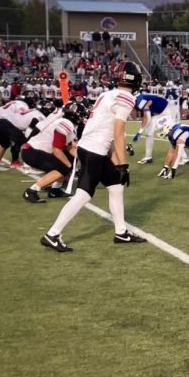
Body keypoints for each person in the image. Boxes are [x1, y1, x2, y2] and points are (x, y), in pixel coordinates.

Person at [39, 63, 147, 252]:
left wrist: (118, 164)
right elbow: (119, 134)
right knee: (83, 195)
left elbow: (110, 134)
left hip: (92, 147)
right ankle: (52, 234)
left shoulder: (108, 94)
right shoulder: (126, 98)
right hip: (94, 150)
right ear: (134, 79)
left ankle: (121, 232)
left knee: (116, 187)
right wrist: (124, 165)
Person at [22, 102, 86, 203]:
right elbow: (56, 150)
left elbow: (69, 148)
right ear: (76, 115)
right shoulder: (66, 125)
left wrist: (85, 158)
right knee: (64, 168)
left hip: (35, 151)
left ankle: (55, 190)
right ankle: (31, 191)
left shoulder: (64, 122)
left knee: (69, 162)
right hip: (33, 151)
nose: (82, 118)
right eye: (81, 115)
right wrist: (70, 167)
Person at [131, 90, 170, 164]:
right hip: (156, 113)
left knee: (168, 133)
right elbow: (145, 117)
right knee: (148, 133)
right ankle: (148, 157)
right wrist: (140, 131)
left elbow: (147, 118)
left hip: (164, 111)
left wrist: (139, 132)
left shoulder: (140, 100)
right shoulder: (140, 99)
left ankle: (183, 157)